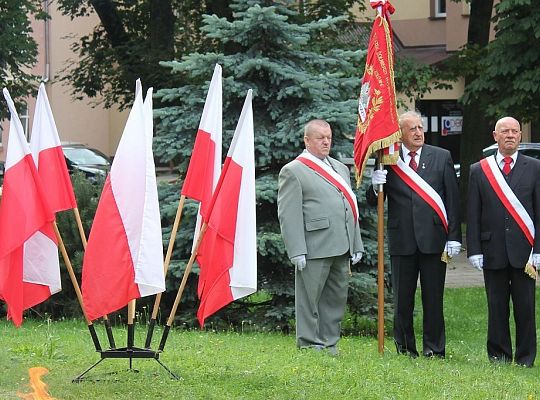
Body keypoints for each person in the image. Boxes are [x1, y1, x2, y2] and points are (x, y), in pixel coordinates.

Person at [368, 110, 461, 358]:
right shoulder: (389, 158)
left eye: (420, 128)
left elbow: (452, 199)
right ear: (400, 134)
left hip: (433, 239)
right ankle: (405, 348)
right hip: (403, 240)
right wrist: (375, 184)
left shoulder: (441, 157)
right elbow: (374, 200)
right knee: (402, 300)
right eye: (412, 129)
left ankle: (435, 349)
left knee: (433, 299)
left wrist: (454, 236)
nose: (418, 133)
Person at [277, 119, 364, 355]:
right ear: (307, 140)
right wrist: (296, 250)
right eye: (320, 137)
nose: (326, 141)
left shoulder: (340, 168)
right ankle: (308, 342)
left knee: (335, 298)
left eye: (328, 137)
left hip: (341, 244)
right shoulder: (293, 170)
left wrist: (356, 243)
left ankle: (329, 342)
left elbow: (349, 208)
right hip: (314, 245)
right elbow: (288, 214)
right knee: (309, 299)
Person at [466, 116, 540, 367]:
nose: (510, 135)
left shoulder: (534, 167)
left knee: (525, 308)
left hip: (525, 252)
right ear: (495, 136)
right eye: (505, 131)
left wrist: (538, 249)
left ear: (520, 136)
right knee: (496, 306)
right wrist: (474, 249)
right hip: (492, 249)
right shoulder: (479, 170)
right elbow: (473, 213)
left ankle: (525, 357)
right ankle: (498, 355)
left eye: (515, 131)